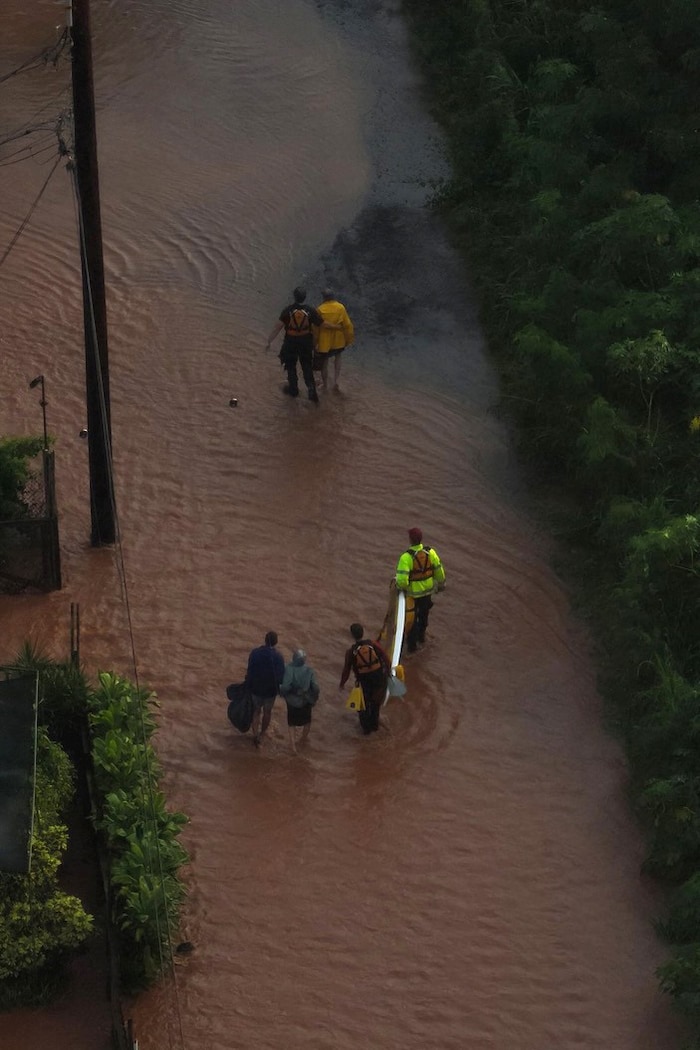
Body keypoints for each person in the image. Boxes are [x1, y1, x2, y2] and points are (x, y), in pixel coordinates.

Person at [266, 287, 326, 403]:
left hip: (290, 343)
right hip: (306, 343)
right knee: (307, 366)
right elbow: (321, 325)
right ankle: (312, 393)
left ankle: (293, 390)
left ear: (294, 297)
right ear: (305, 297)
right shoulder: (310, 310)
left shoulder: (288, 310)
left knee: (290, 366)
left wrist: (269, 341)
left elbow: (277, 327)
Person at [395, 528, 446, 653]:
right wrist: (440, 584)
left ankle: (412, 647)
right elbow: (439, 571)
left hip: (413, 595)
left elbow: (402, 581)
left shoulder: (406, 558)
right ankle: (422, 638)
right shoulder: (431, 553)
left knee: (411, 620)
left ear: (410, 540)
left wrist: (400, 588)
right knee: (424, 616)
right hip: (427, 592)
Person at [339, 623, 391, 735]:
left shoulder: (350, 652)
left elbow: (346, 671)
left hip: (364, 682)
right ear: (363, 632)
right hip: (379, 679)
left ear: (352, 635)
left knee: (363, 707)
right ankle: (375, 727)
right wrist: (388, 672)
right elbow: (386, 658)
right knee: (376, 705)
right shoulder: (373, 644)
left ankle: (366, 734)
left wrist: (342, 684)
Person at [246, 630, 285, 747]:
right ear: (275, 642)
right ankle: (262, 734)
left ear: (265, 639)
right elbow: (281, 676)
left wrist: (249, 684)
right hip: (270, 691)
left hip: (256, 688)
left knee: (256, 711)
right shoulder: (278, 657)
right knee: (267, 712)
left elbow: (250, 670)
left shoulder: (254, 653)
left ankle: (255, 734)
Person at [313, 288, 354, 392]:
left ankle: (325, 385)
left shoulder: (320, 309)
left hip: (325, 341)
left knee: (324, 363)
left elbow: (316, 328)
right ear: (333, 296)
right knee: (338, 357)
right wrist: (349, 338)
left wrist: (315, 343)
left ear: (324, 297)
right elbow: (347, 324)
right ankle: (336, 380)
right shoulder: (341, 307)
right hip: (338, 339)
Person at [279, 648, 320, 753]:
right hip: (305, 700)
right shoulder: (309, 671)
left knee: (291, 723)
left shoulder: (288, 668)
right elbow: (315, 687)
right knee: (307, 721)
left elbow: (285, 686)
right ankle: (303, 739)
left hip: (292, 702)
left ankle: (293, 747)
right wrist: (314, 699)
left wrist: (281, 693)